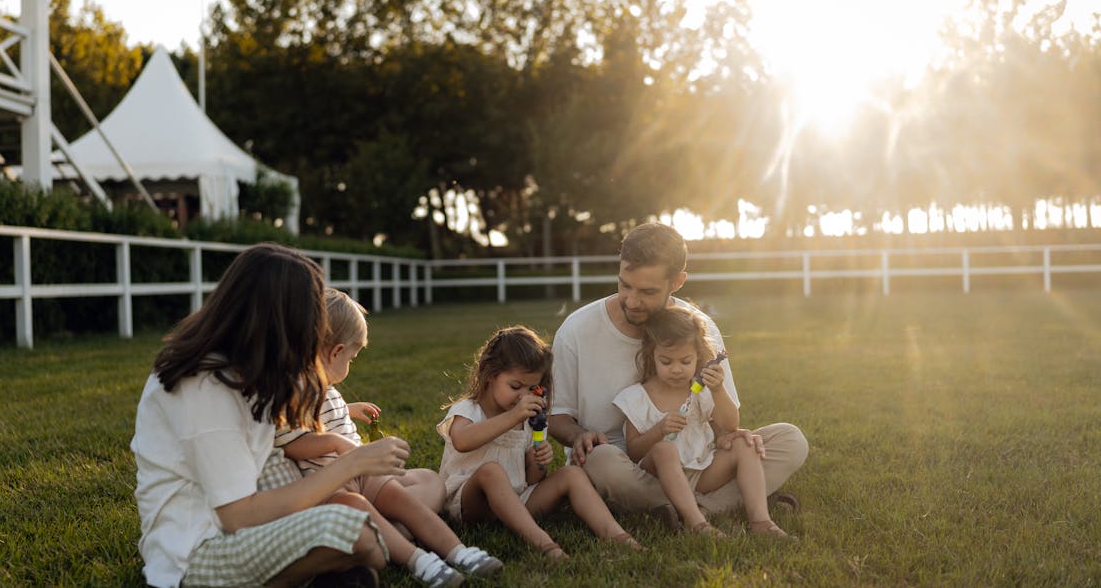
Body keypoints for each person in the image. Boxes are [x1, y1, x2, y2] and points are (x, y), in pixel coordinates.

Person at [131, 243, 408, 588]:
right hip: (198, 549)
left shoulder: (247, 367)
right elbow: (238, 516)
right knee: (363, 538)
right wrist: (352, 463)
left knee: (368, 538)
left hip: (252, 514)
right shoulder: (202, 386)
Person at [548, 222, 808, 525]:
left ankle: (677, 511)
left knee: (791, 440)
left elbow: (722, 421)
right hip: (624, 466)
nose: (631, 301)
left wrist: (734, 439)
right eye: (624, 285)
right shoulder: (576, 330)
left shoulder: (700, 329)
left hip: (697, 462)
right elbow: (557, 417)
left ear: (678, 281)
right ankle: (723, 503)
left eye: (647, 291)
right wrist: (580, 436)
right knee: (600, 460)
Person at [273, 289, 503, 584]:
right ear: (334, 352)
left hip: (358, 472)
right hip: (328, 488)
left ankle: (459, 551)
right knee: (357, 507)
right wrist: (337, 443)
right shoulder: (293, 388)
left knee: (401, 499)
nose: (350, 364)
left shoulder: (324, 387)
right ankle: (420, 561)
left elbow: (322, 414)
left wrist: (348, 409)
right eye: (351, 358)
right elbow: (292, 443)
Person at [437, 326, 643, 559]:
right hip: (470, 505)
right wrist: (513, 417)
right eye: (515, 387)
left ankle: (616, 534)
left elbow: (532, 480)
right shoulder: (469, 409)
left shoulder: (530, 419)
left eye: (532, 388)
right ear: (489, 374)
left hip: (517, 500)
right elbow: (462, 440)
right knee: (491, 472)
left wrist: (538, 462)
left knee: (571, 475)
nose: (524, 396)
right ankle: (544, 544)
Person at [614, 306, 792, 538]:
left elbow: (729, 426)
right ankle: (698, 524)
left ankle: (760, 521)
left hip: (703, 472)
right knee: (665, 449)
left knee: (743, 443)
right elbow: (634, 451)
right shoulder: (636, 397)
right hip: (658, 478)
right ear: (651, 356)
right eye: (666, 362)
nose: (677, 369)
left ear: (698, 357)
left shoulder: (701, 391)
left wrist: (718, 389)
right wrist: (658, 431)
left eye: (685, 361)